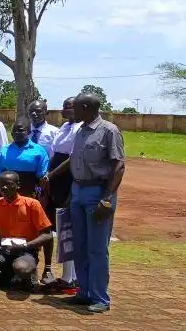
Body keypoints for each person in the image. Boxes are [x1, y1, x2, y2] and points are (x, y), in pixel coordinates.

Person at [66, 93, 124, 313]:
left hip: (98, 192)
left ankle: (100, 298)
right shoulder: (80, 130)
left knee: (97, 248)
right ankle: (84, 292)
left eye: (75, 107)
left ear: (86, 107)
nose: (72, 111)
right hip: (78, 191)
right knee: (80, 246)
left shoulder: (109, 131)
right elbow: (75, 161)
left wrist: (107, 198)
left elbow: (118, 166)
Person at [0, 171, 52, 291]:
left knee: (22, 268)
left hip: (26, 250)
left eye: (9, 184)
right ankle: (3, 273)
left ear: (18, 185)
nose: (4, 187)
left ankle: (26, 276)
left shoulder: (32, 204)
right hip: (1, 249)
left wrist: (26, 246)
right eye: (1, 184)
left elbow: (47, 235)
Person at [39, 96, 80, 289]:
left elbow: (72, 158)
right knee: (61, 226)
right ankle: (66, 276)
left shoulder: (80, 129)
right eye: (64, 106)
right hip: (56, 181)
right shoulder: (64, 127)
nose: (65, 110)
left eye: (69, 107)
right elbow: (55, 153)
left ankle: (71, 278)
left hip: (68, 179)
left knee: (69, 228)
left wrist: (51, 175)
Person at [0, 117, 50, 199]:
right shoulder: (4, 150)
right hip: (6, 195)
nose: (16, 133)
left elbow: (41, 178)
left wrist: (40, 194)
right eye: (14, 130)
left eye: (20, 130)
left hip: (29, 194)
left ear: (29, 132)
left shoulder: (39, 151)